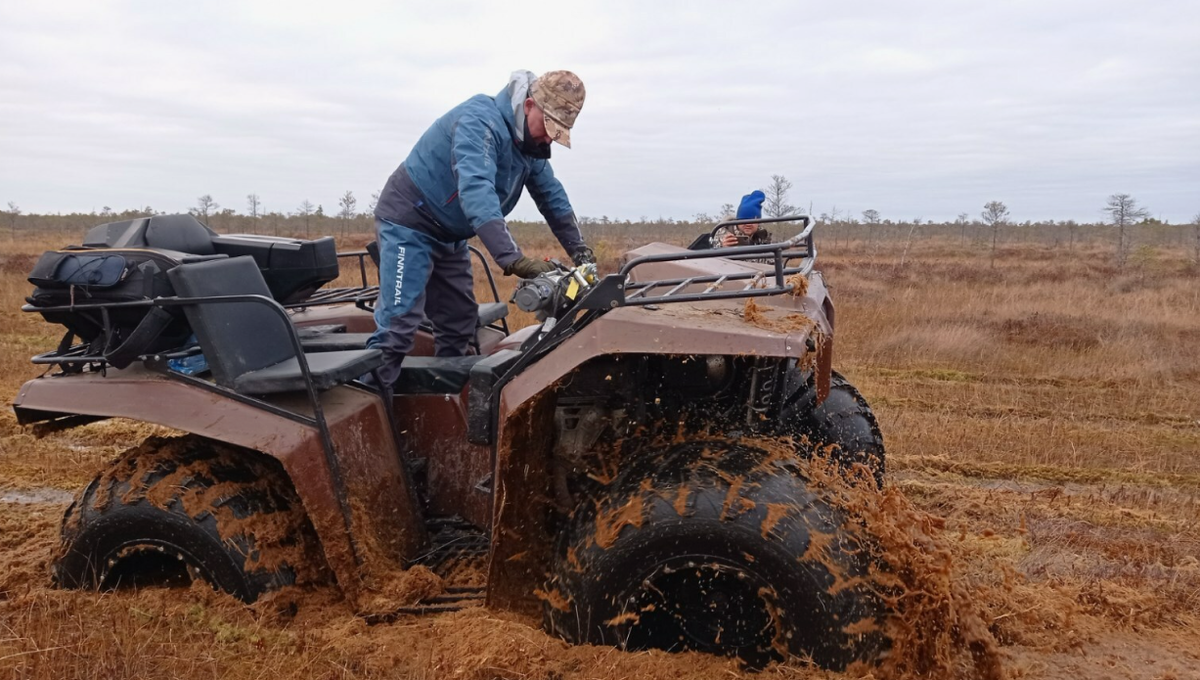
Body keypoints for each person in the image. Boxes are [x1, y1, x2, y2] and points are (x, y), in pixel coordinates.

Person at [368, 70, 593, 386]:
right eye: (549, 127)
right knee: (398, 326)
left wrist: (581, 252)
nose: (549, 138)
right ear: (529, 105)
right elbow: (476, 189)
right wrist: (512, 258)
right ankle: (370, 414)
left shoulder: (531, 147)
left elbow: (552, 197)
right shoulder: (481, 121)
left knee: (460, 322)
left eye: (559, 133)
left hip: (450, 234)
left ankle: (442, 404)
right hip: (411, 223)